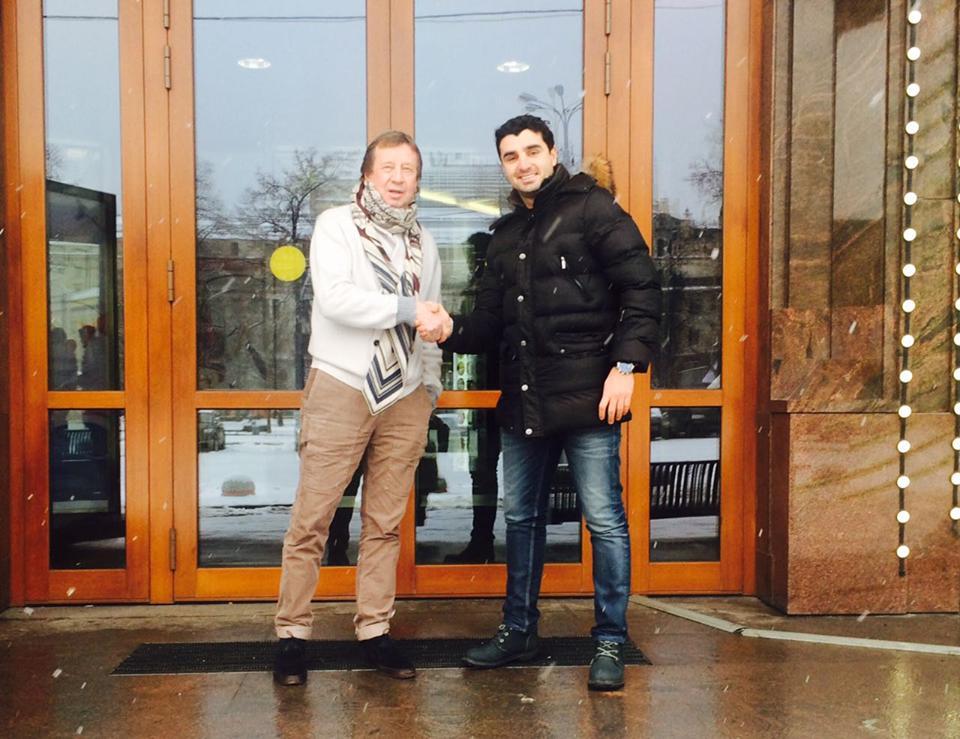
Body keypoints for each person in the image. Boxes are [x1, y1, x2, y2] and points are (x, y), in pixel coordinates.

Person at [420, 115, 661, 691]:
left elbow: (643, 289)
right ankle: (519, 630)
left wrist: (626, 367)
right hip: (525, 403)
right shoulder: (504, 235)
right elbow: (489, 324)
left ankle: (610, 640)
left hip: (589, 401)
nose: (523, 163)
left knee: (603, 520)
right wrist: (450, 328)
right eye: (511, 156)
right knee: (521, 519)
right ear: (503, 166)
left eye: (532, 151)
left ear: (553, 154)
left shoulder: (593, 208)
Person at [273, 130, 443, 686]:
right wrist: (409, 309)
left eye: (408, 169)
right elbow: (336, 299)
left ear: (417, 180)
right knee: (312, 520)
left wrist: (429, 387)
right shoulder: (336, 225)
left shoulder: (424, 242)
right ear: (368, 175)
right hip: (342, 386)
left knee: (385, 524)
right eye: (387, 167)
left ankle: (375, 630)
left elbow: (430, 322)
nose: (398, 178)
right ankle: (292, 634)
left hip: (404, 395)